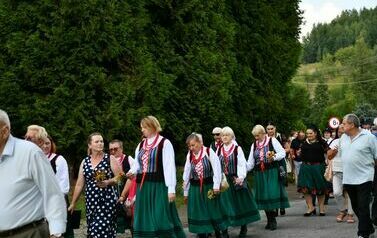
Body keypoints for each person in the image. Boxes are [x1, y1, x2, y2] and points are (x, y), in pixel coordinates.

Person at [0, 109, 66, 237]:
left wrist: (56, 233)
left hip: (28, 233)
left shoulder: (30, 153)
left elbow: (53, 194)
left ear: (4, 131)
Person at [126, 116, 185, 238]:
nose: (142, 130)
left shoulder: (164, 143)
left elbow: (169, 167)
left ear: (152, 127)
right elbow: (138, 164)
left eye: (144, 127)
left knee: (161, 216)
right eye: (141, 128)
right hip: (143, 188)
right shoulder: (141, 144)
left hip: (159, 186)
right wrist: (132, 171)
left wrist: (171, 190)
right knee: (144, 216)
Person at [68, 132, 122, 238]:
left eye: (101, 141)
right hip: (91, 202)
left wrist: (108, 182)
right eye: (96, 141)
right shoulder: (85, 161)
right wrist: (73, 203)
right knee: (93, 230)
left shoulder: (109, 158)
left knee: (100, 230)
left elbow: (120, 177)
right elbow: (79, 184)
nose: (100, 143)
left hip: (107, 201)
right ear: (90, 145)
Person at [183, 133, 229, 238]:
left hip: (209, 186)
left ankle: (222, 232)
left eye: (193, 145)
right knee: (199, 211)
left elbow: (217, 169)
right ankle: (202, 233)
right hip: (195, 188)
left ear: (199, 143)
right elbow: (186, 174)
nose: (191, 148)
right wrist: (186, 192)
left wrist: (216, 186)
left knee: (214, 210)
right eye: (189, 146)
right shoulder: (190, 155)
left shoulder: (208, 151)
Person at [217, 127, 260, 237]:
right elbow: (216, 166)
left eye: (227, 135)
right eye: (223, 135)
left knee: (239, 205)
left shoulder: (237, 149)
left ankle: (243, 227)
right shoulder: (219, 149)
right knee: (223, 205)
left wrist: (241, 177)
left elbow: (241, 165)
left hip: (235, 181)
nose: (224, 137)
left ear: (232, 137)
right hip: (224, 181)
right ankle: (224, 231)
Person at [339, 114, 377, 238]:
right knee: (356, 206)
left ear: (352, 125)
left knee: (363, 206)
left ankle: (363, 233)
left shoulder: (368, 137)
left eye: (344, 123)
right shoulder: (343, 138)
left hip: (365, 177)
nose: (342, 126)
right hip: (349, 178)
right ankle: (369, 228)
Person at [246, 125, 289, 231]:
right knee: (263, 196)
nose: (256, 138)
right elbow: (250, 162)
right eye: (255, 136)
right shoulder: (254, 145)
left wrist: (273, 157)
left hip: (271, 171)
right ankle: (270, 219)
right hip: (259, 173)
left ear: (263, 133)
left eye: (258, 135)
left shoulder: (272, 140)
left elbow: (282, 153)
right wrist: (243, 171)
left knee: (271, 193)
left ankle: (273, 219)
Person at [42, 135, 74, 237]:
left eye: (48, 143)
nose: (45, 146)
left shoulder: (58, 159)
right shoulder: (35, 159)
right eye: (42, 143)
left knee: (57, 233)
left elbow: (63, 184)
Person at [297, 125, 329, 216]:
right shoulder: (303, 143)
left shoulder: (322, 142)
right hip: (305, 167)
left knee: (320, 188)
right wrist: (299, 154)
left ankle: (321, 208)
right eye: (307, 133)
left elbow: (329, 154)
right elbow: (300, 154)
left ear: (315, 133)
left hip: (318, 167)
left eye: (310, 133)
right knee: (305, 188)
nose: (309, 135)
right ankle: (310, 207)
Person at [327, 125, 354, 223]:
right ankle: (343, 210)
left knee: (350, 193)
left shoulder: (353, 140)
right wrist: (335, 150)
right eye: (339, 132)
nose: (341, 133)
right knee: (337, 192)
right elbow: (329, 156)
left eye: (343, 131)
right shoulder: (335, 141)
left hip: (350, 170)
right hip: (337, 170)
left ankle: (350, 214)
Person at [109, 139, 134, 235]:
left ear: (121, 148)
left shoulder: (129, 159)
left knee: (132, 221)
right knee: (112, 222)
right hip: (113, 195)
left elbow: (135, 176)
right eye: (111, 149)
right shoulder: (107, 161)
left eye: (115, 149)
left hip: (128, 194)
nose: (113, 151)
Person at [266, 122, 287, 216]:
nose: (270, 131)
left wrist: (275, 154)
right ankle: (275, 208)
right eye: (268, 129)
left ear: (275, 128)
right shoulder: (265, 139)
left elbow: (287, 149)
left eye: (272, 128)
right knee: (273, 185)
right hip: (270, 164)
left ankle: (282, 205)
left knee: (281, 183)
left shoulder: (281, 137)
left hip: (280, 162)